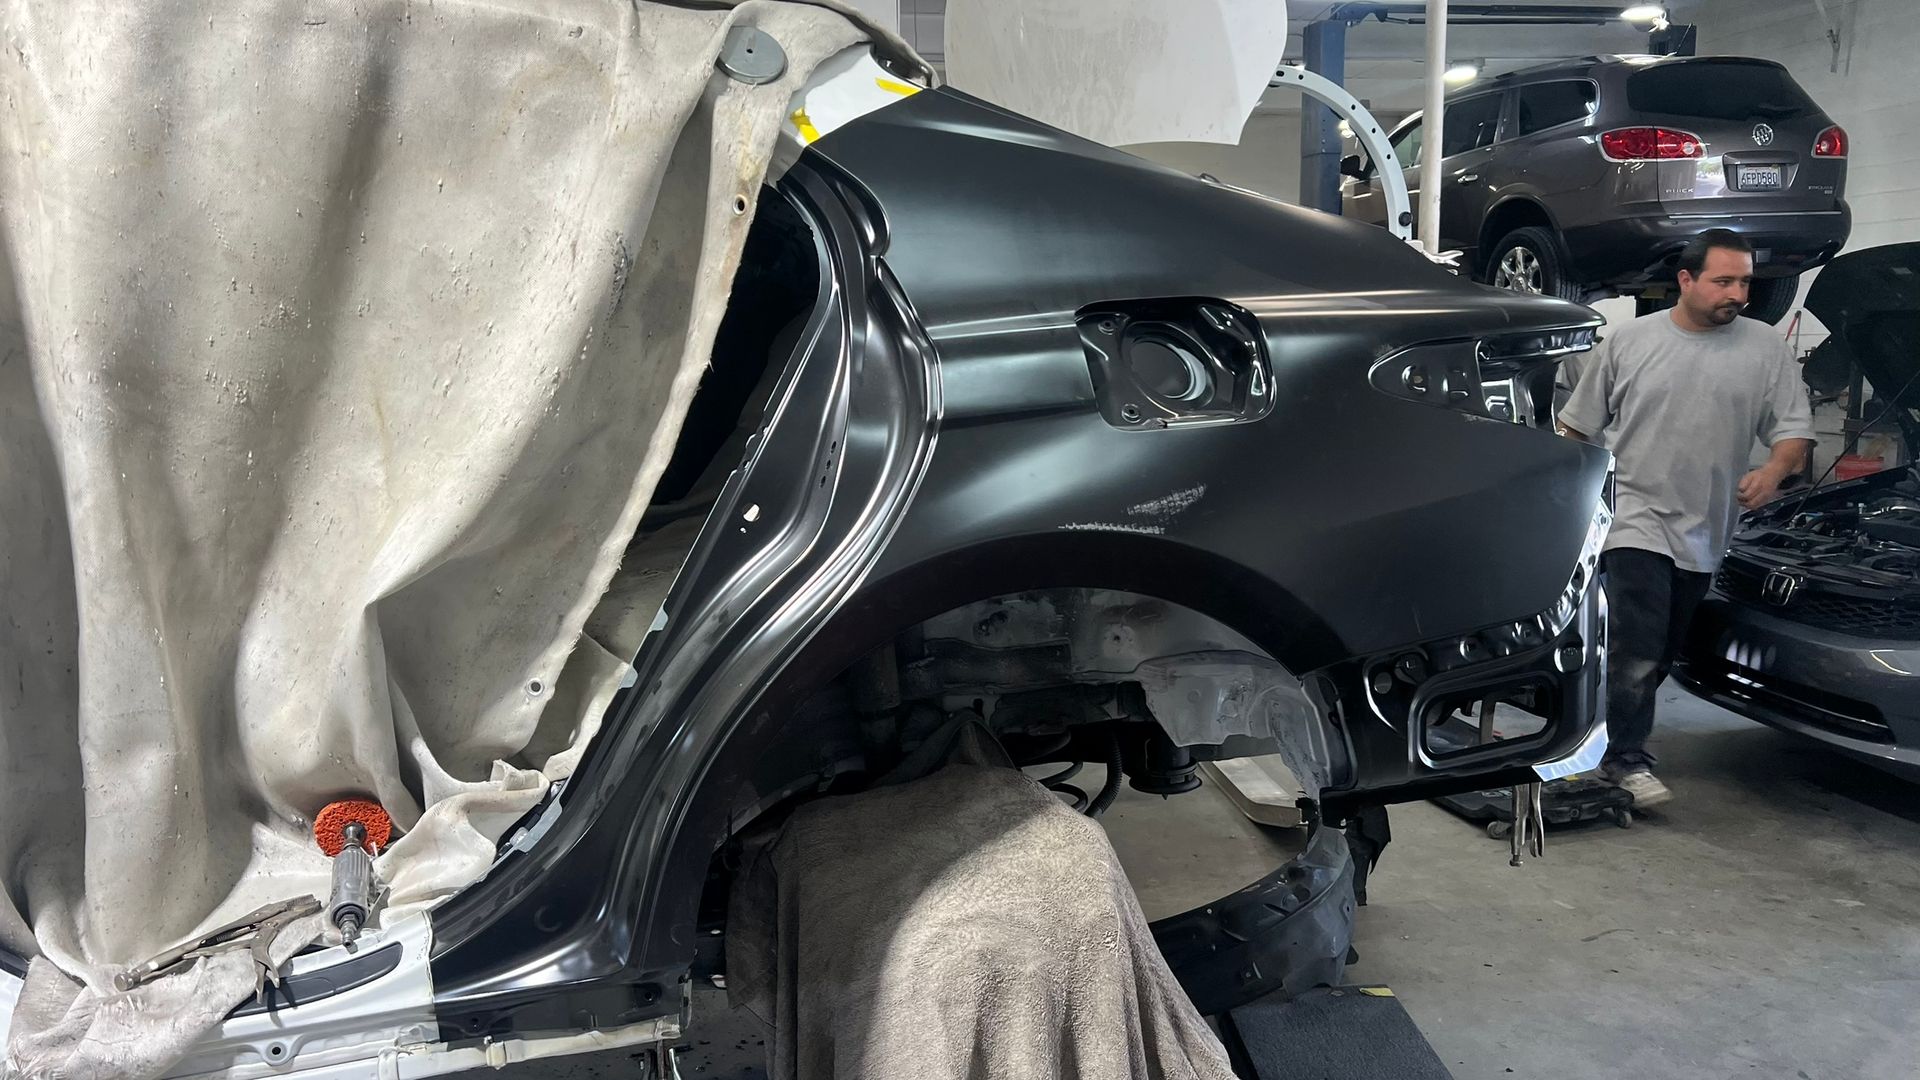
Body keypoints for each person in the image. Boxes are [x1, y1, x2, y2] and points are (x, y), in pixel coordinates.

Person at [1556, 229, 1814, 808]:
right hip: (1634, 515)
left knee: (1665, 650)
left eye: (1745, 281)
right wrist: (1564, 500)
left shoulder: (1765, 348)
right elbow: (1577, 426)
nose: (1738, 293)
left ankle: (1603, 730)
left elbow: (1794, 432)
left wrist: (1772, 472)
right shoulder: (1629, 342)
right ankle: (1625, 759)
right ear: (1686, 280)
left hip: (1708, 525)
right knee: (1639, 643)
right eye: (1724, 280)